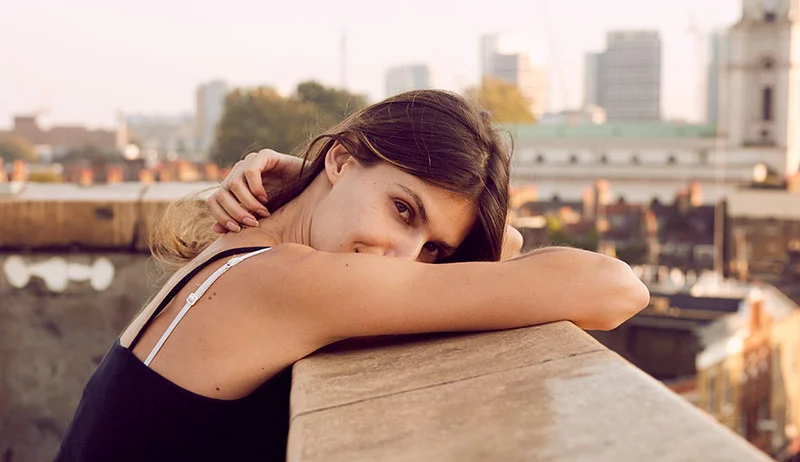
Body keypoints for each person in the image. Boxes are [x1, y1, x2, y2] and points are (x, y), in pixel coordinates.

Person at [56, 90, 649, 461]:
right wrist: (318, 174)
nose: (399, 256)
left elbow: (500, 251)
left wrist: (313, 176)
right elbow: (614, 289)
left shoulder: (245, 255)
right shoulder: (289, 282)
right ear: (342, 158)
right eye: (402, 209)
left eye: (432, 249)